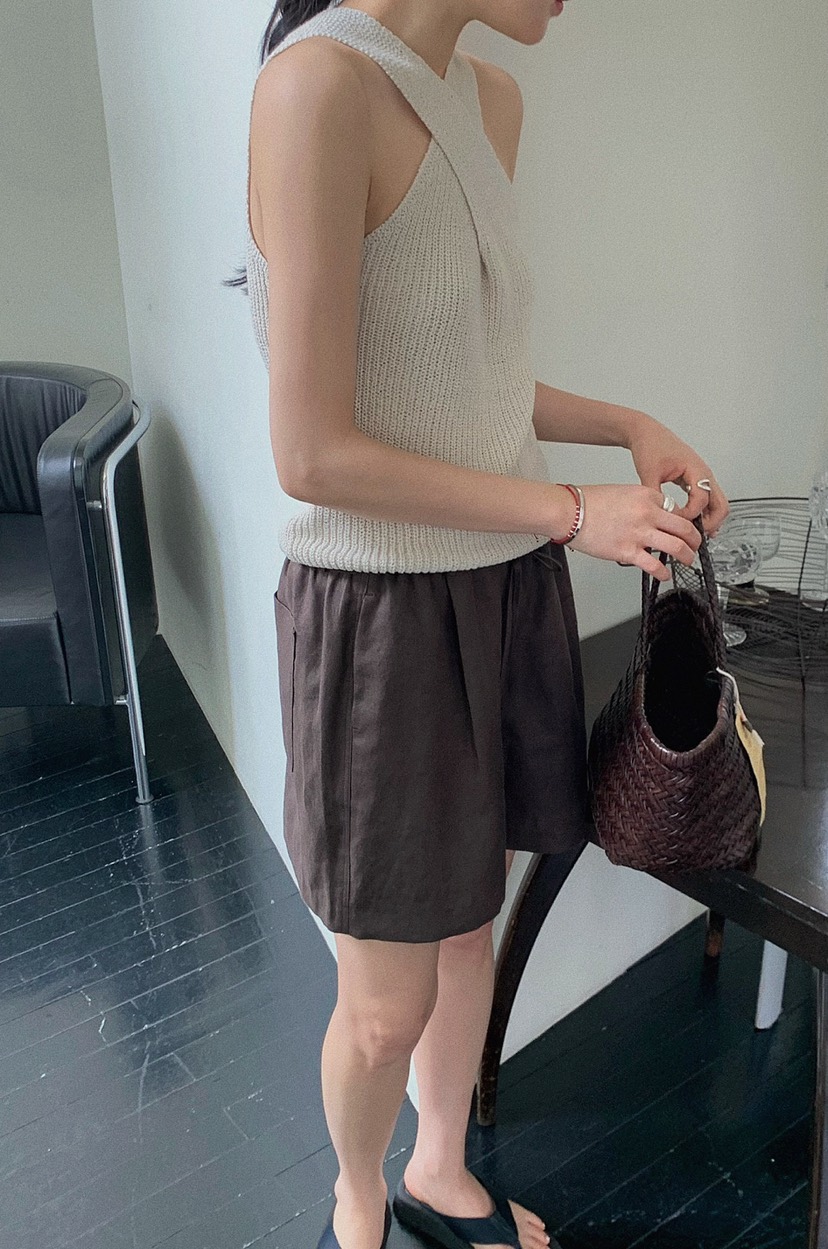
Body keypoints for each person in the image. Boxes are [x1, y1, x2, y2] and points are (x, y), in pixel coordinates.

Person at [237, 2, 730, 1247]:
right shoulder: (316, 89)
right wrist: (573, 510)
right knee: (382, 1006)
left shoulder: (487, 100)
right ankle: (357, 1196)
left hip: (506, 584)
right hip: (383, 617)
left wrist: (623, 425)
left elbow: (467, 379)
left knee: (469, 927)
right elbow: (312, 450)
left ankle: (441, 1164)